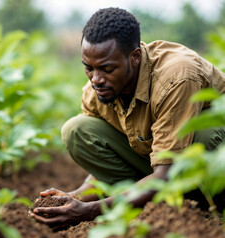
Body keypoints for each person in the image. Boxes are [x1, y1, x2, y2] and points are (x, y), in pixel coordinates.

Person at [29, 7, 225, 226]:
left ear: (135, 57)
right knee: (77, 130)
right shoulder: (97, 91)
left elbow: (167, 173)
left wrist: (91, 210)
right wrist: (76, 197)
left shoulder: (176, 78)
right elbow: (108, 162)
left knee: (206, 137)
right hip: (159, 167)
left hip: (205, 164)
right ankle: (141, 197)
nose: (96, 79)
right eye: (89, 68)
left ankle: (205, 201)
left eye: (107, 68)